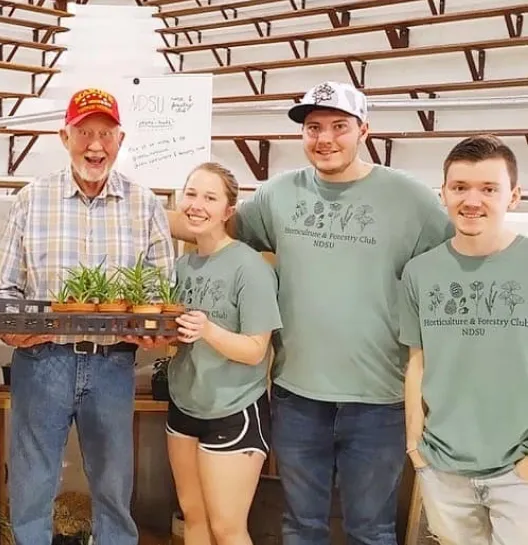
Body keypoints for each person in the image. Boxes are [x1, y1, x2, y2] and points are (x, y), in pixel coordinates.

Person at [168, 81, 454, 545]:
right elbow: (212, 223)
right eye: (314, 127)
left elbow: (453, 265)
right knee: (301, 527)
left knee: (371, 529)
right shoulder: (278, 195)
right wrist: (142, 215)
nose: (325, 138)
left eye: (339, 126)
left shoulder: (410, 198)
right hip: (296, 396)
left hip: (378, 398)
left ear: (364, 130)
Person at [0, 87, 175, 545]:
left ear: (121, 139)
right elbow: (0, 289)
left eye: (106, 133)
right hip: (41, 361)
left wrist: (153, 331)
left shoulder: (144, 204)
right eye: (84, 132)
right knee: (32, 487)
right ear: (64, 136)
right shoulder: (32, 199)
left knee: (113, 488)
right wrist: (11, 331)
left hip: (113, 364)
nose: (95, 144)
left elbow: (159, 291)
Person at [399, 134, 528, 545]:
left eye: (489, 189)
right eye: (460, 187)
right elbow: (417, 361)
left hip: (518, 468)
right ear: (444, 193)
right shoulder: (419, 273)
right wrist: (415, 446)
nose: (472, 200)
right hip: (443, 465)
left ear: (514, 196)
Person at [165, 162, 282, 545]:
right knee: (194, 518)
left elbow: (255, 351)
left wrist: (208, 330)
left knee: (227, 528)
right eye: (191, 194)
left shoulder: (250, 267)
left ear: (228, 210)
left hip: (234, 412)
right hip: (185, 405)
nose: (197, 205)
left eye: (210, 198)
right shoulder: (181, 266)